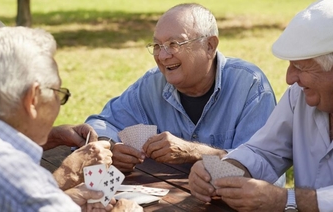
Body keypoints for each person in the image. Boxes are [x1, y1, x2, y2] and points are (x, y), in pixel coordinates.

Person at [85, 3, 277, 174]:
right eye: (157, 45)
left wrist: (194, 152)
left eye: (173, 44)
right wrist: (111, 147)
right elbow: (99, 123)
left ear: (210, 46)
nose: (162, 56)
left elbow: (261, 169)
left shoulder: (250, 86)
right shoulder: (152, 84)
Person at [188, 0, 333, 211]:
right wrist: (221, 170)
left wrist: (284, 200)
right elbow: (264, 151)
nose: (289, 78)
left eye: (300, 67)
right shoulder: (299, 95)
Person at [0, 26, 142, 212]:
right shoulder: (25, 184)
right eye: (58, 93)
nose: (59, 103)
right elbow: (29, 197)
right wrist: (69, 173)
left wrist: (64, 198)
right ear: (33, 99)